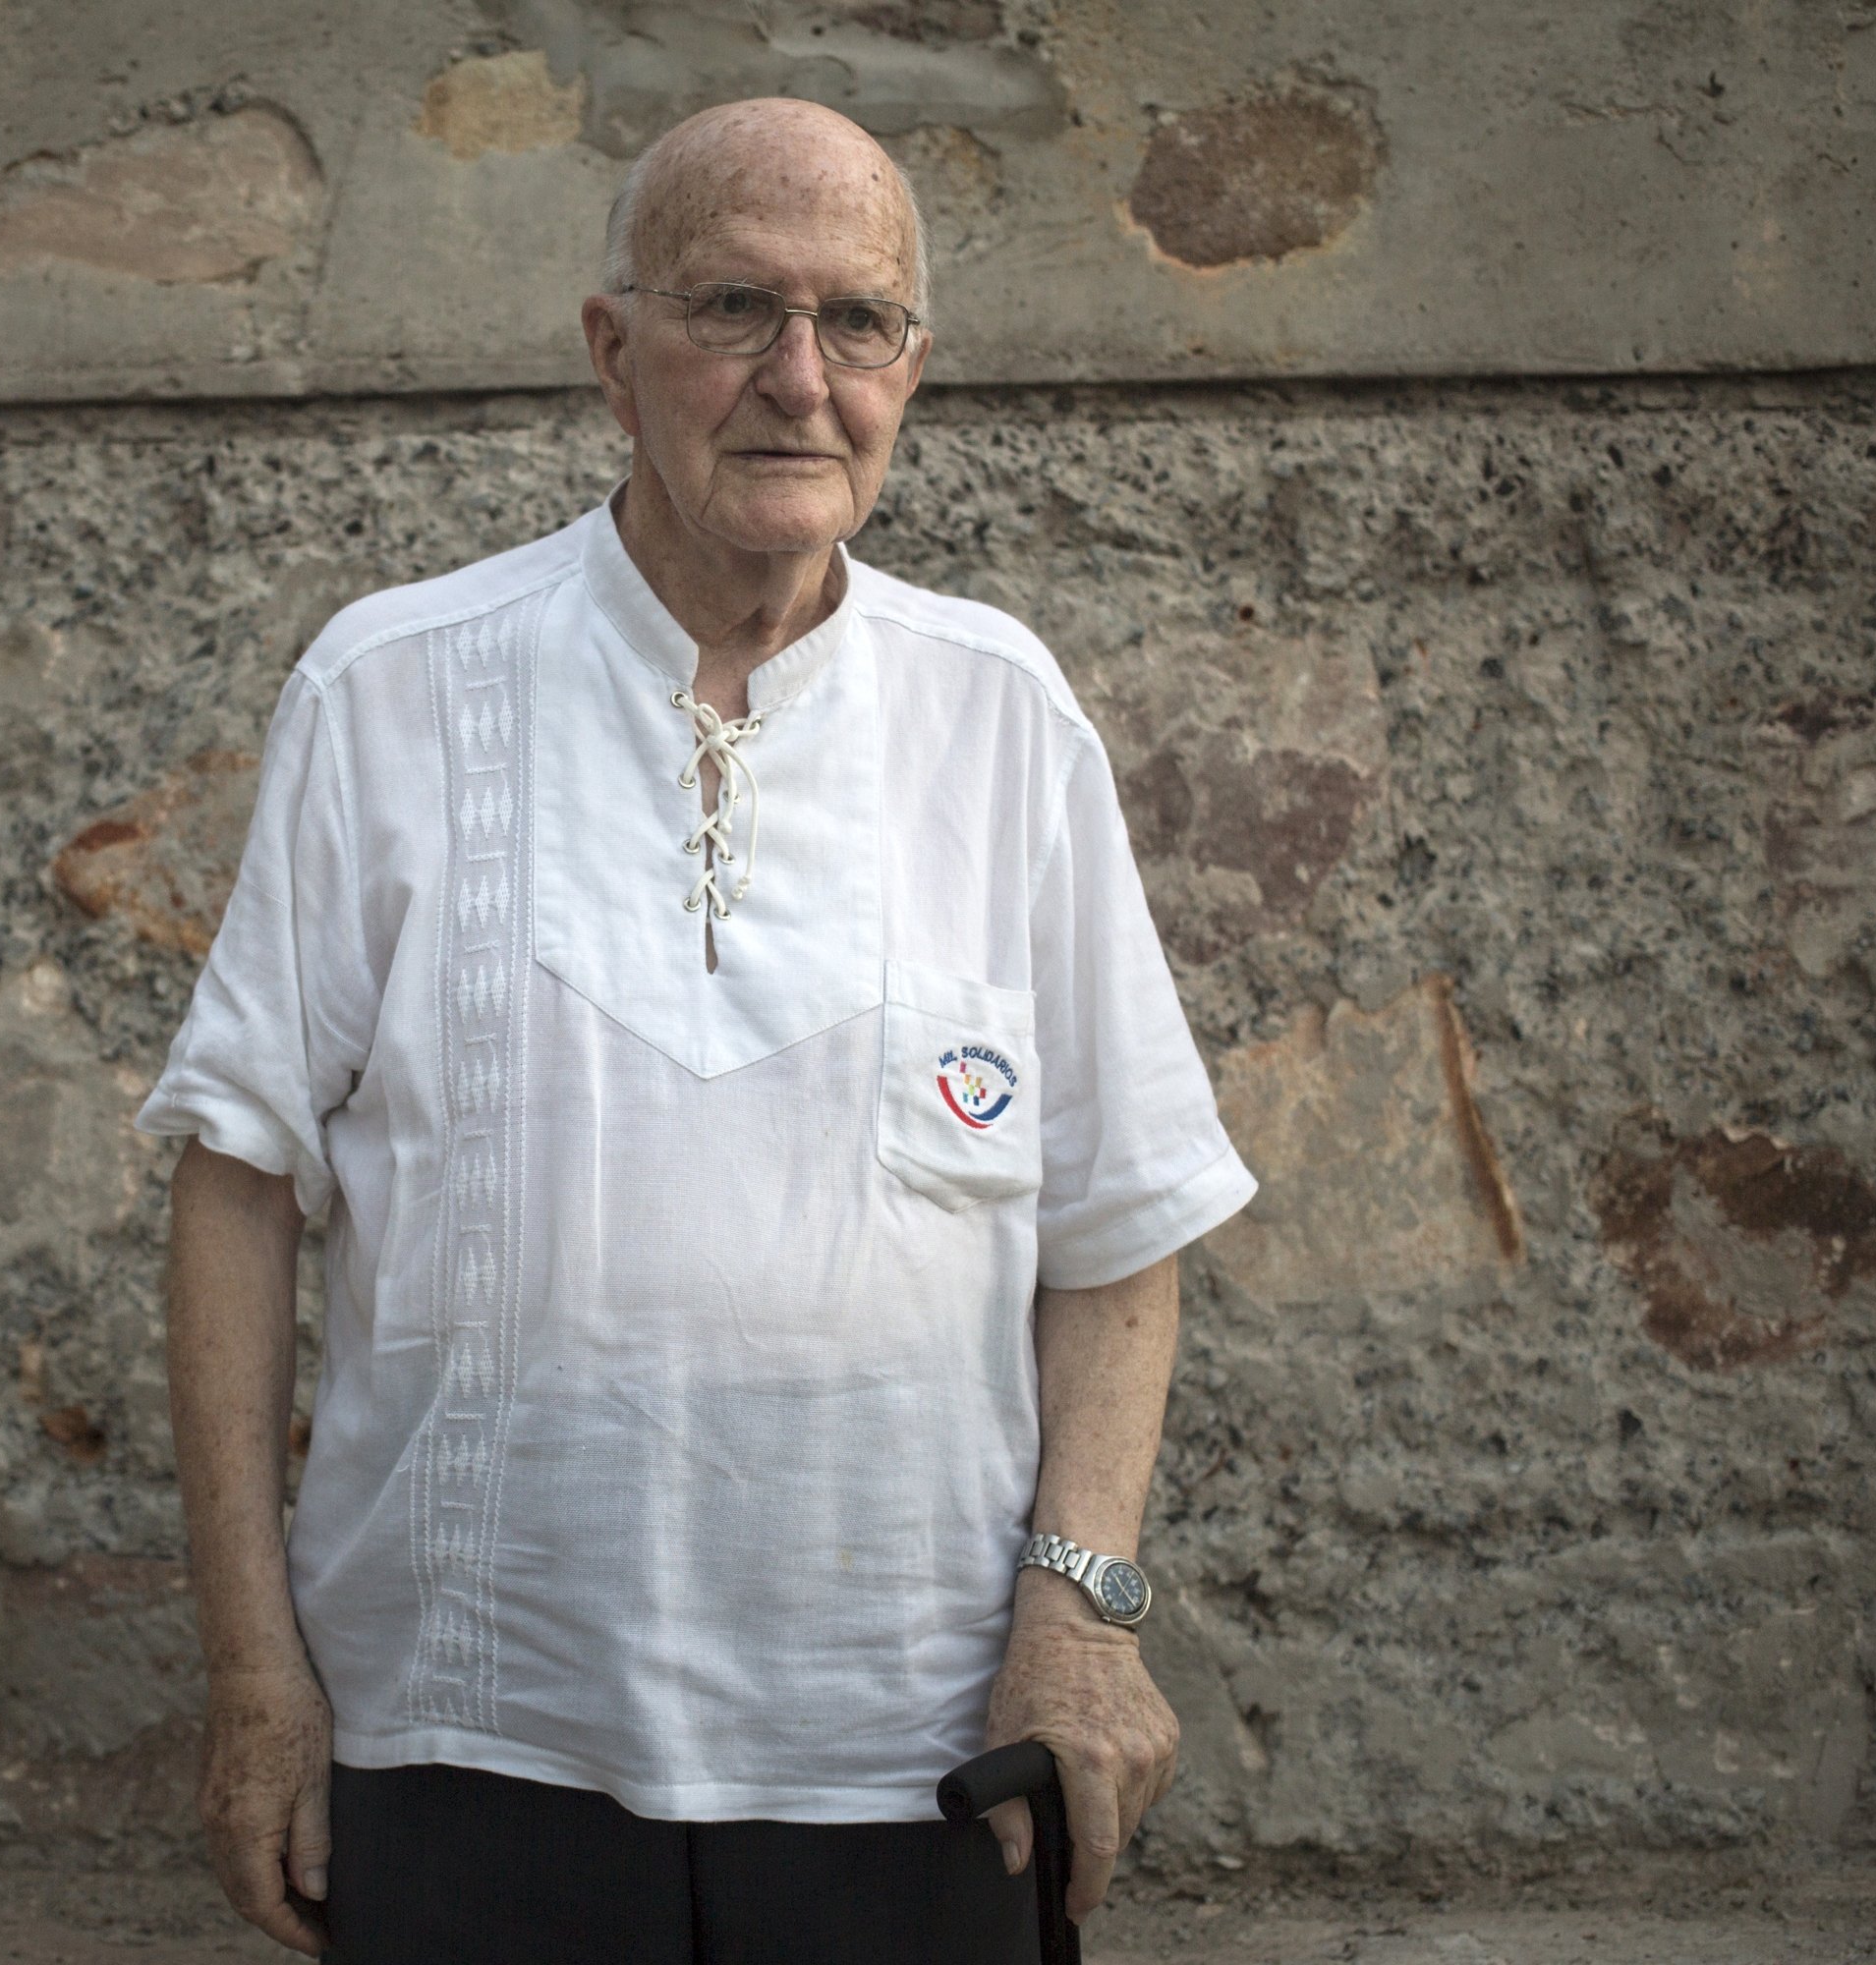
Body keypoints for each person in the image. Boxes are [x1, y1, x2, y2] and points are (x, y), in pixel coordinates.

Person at [137, 95, 1258, 1964]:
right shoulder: (394, 688)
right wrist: (257, 1675)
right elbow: (237, 1185)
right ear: (612, 351)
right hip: (467, 1746)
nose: (799, 379)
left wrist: (1079, 1625)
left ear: (913, 368)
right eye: (735, 307)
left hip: (916, 1758)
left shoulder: (1003, 719)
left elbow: (1117, 1224)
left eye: (859, 323)